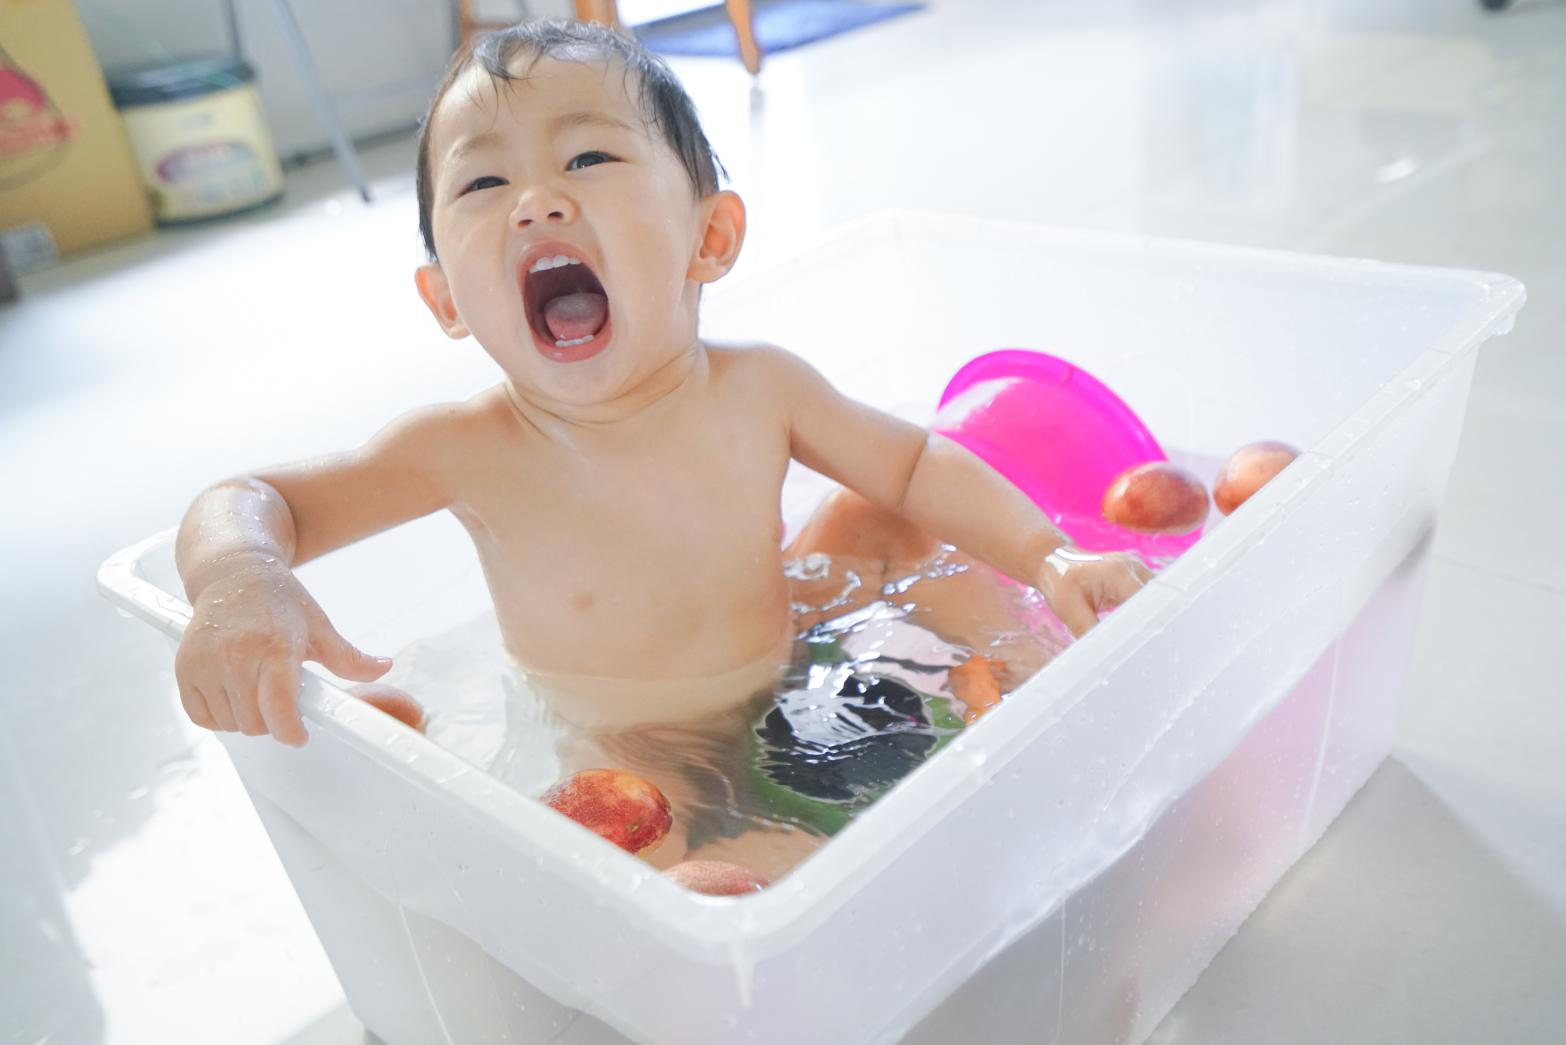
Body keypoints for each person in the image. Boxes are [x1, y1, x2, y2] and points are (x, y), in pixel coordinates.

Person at [173, 21, 1147, 868]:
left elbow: (914, 461)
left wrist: (1047, 552)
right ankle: (773, 864)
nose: (537, 201)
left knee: (879, 503)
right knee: (661, 868)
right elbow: (253, 497)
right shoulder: (463, 448)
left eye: (587, 159)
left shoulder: (764, 387)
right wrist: (239, 576)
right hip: (635, 750)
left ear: (710, 236)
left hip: (795, 657)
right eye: (483, 179)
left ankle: (1029, 686)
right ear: (445, 300)